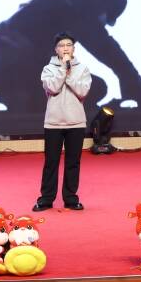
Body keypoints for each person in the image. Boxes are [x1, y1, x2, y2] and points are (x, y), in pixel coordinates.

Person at [0, 0, 141, 113]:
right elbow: (103, 45)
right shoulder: (75, 5)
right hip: (18, 71)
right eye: (105, 15)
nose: (102, 22)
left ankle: (29, 104)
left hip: (0, 74)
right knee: (95, 88)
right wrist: (130, 78)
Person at [33, 32, 91, 212]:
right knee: (51, 162)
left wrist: (70, 74)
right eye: (61, 45)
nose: (65, 48)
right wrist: (62, 70)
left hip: (76, 122)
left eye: (68, 45)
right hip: (53, 123)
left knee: (73, 162)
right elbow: (53, 87)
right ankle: (46, 199)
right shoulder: (48, 69)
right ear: (56, 50)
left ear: (74, 49)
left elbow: (82, 91)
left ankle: (71, 199)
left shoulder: (83, 69)